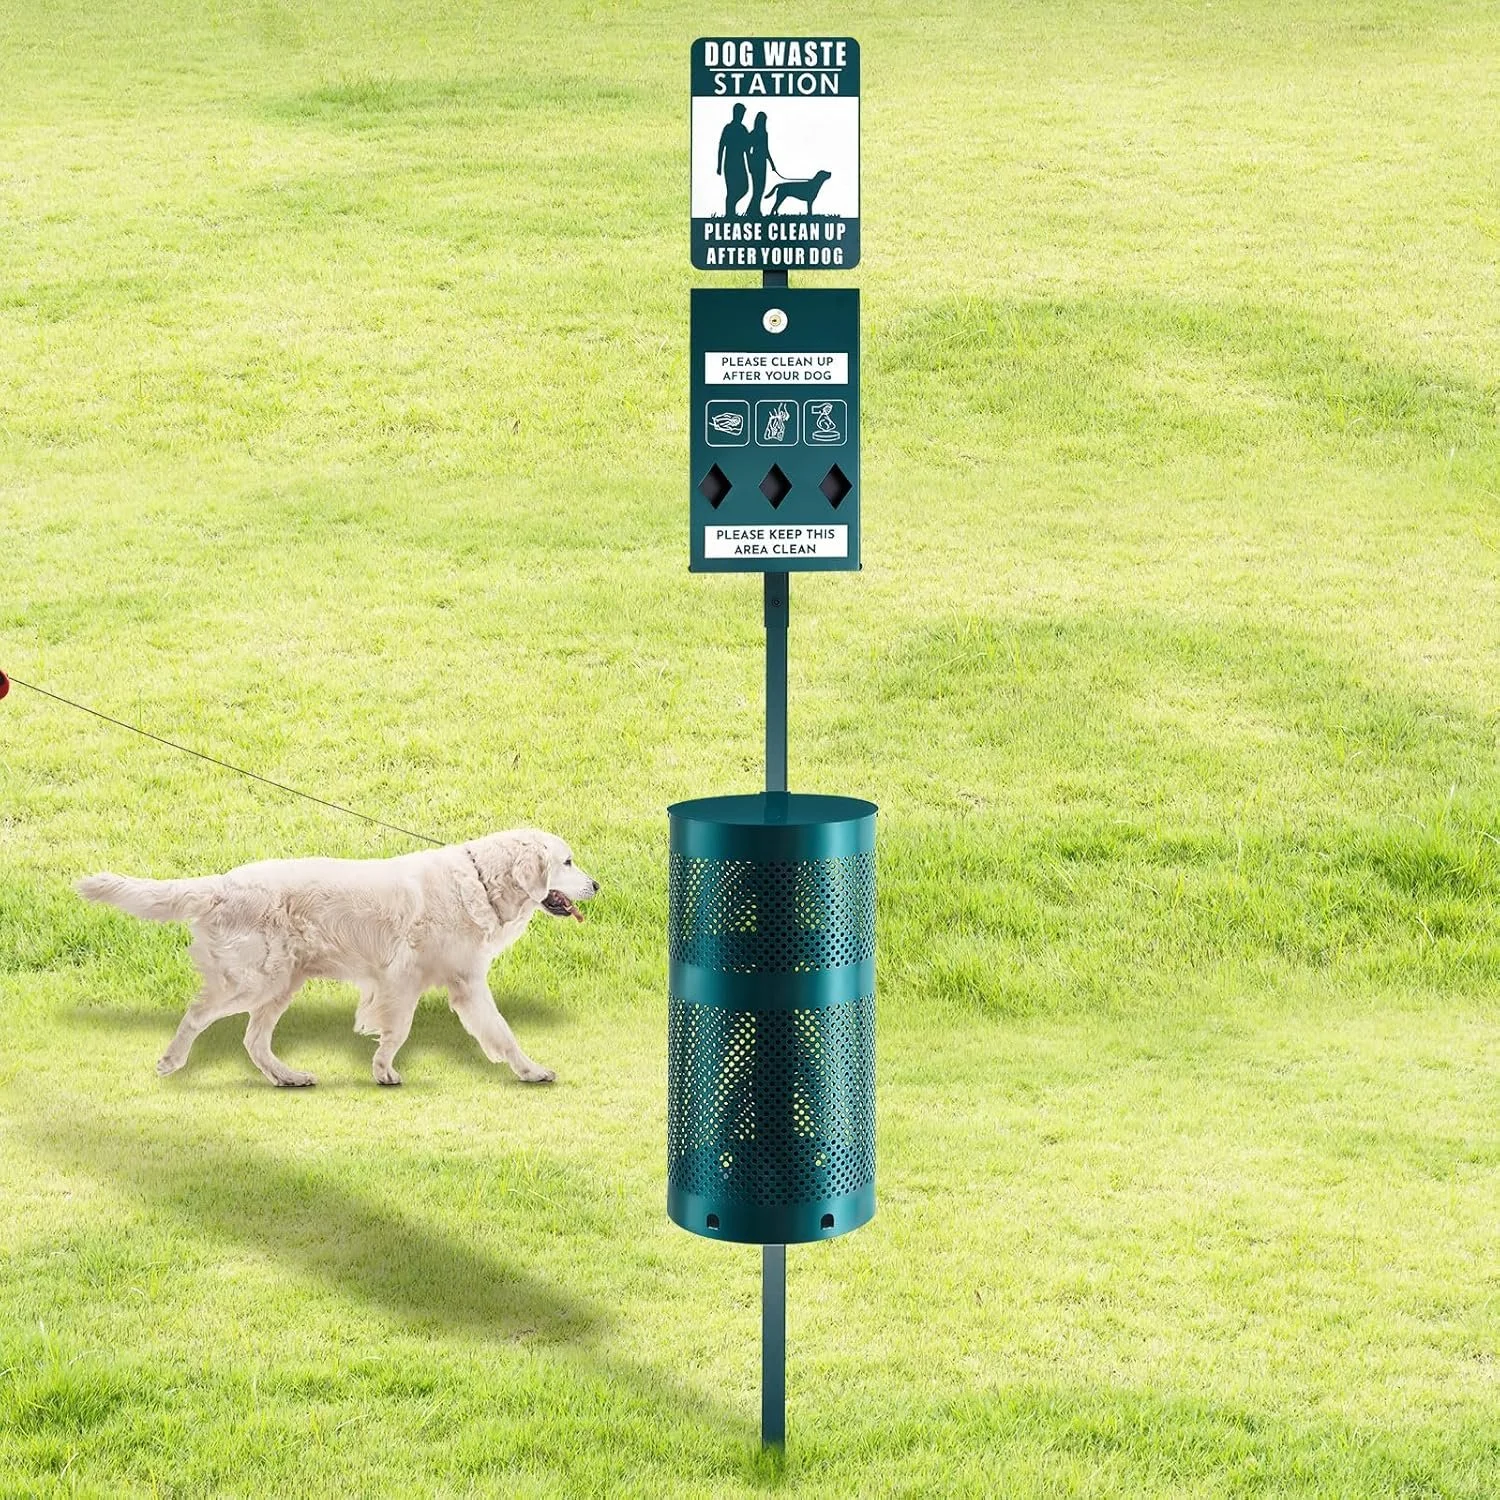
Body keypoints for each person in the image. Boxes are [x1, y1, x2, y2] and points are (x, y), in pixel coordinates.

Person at [716, 104, 751, 217]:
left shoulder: (743, 129)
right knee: (731, 190)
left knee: (744, 187)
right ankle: (730, 214)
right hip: (730, 164)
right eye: (741, 113)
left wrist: (750, 166)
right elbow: (721, 147)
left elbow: (747, 149)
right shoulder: (729, 128)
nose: (742, 116)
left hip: (740, 163)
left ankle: (731, 210)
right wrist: (719, 165)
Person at [747, 112, 777, 218]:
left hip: (762, 163)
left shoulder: (764, 133)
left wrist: (772, 164)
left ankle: (754, 210)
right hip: (756, 162)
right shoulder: (754, 133)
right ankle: (752, 211)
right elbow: (747, 149)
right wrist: (750, 163)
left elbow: (766, 150)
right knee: (757, 188)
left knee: (760, 188)